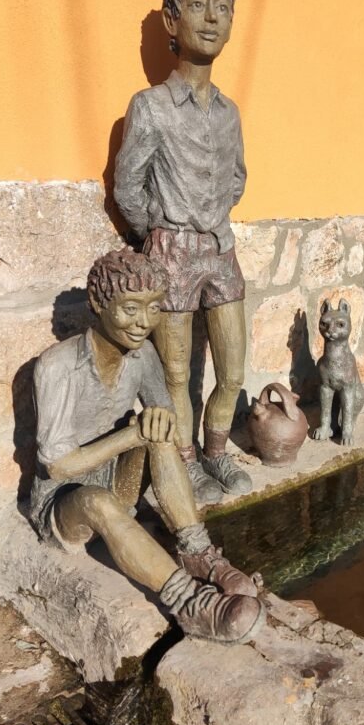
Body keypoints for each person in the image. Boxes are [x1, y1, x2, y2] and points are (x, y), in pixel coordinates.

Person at [29, 247, 264, 644]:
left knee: (159, 435)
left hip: (117, 479)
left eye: (154, 308)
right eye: (130, 309)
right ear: (99, 304)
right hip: (63, 502)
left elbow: (165, 418)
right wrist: (132, 435)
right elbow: (56, 466)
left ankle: (197, 551)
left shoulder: (142, 355)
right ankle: (189, 602)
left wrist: (158, 423)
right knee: (97, 500)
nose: (143, 322)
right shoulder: (57, 366)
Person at [114, 0, 251, 505]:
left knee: (232, 369)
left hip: (221, 251)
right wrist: (160, 234)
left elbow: (237, 179)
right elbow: (128, 186)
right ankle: (187, 463)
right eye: (197, 5)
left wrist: (211, 220)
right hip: (171, 251)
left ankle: (216, 450)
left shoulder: (229, 113)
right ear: (172, 22)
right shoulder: (150, 107)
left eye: (223, 8)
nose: (212, 18)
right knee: (174, 374)